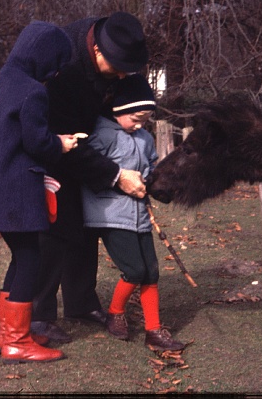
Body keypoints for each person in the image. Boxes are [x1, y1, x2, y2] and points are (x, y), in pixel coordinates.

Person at [0, 21, 80, 364]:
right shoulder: (31, 90)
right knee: (29, 259)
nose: (53, 74)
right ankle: (16, 341)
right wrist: (62, 144)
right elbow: (37, 141)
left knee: (20, 255)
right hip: (17, 189)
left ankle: (9, 333)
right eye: (54, 65)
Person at [31, 12, 150, 343]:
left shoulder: (111, 44)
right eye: (119, 68)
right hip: (49, 145)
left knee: (83, 225)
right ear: (97, 51)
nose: (124, 75)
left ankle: (80, 303)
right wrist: (115, 175)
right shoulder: (62, 65)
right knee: (53, 228)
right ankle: (38, 316)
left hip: (84, 141)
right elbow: (60, 137)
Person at [82, 74, 185, 351]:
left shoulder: (143, 138)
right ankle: (115, 313)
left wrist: (157, 183)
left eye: (145, 120)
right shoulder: (102, 134)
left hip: (139, 215)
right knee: (134, 269)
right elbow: (89, 170)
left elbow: (151, 166)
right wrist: (120, 184)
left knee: (151, 272)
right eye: (135, 118)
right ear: (118, 109)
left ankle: (154, 330)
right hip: (110, 214)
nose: (140, 125)